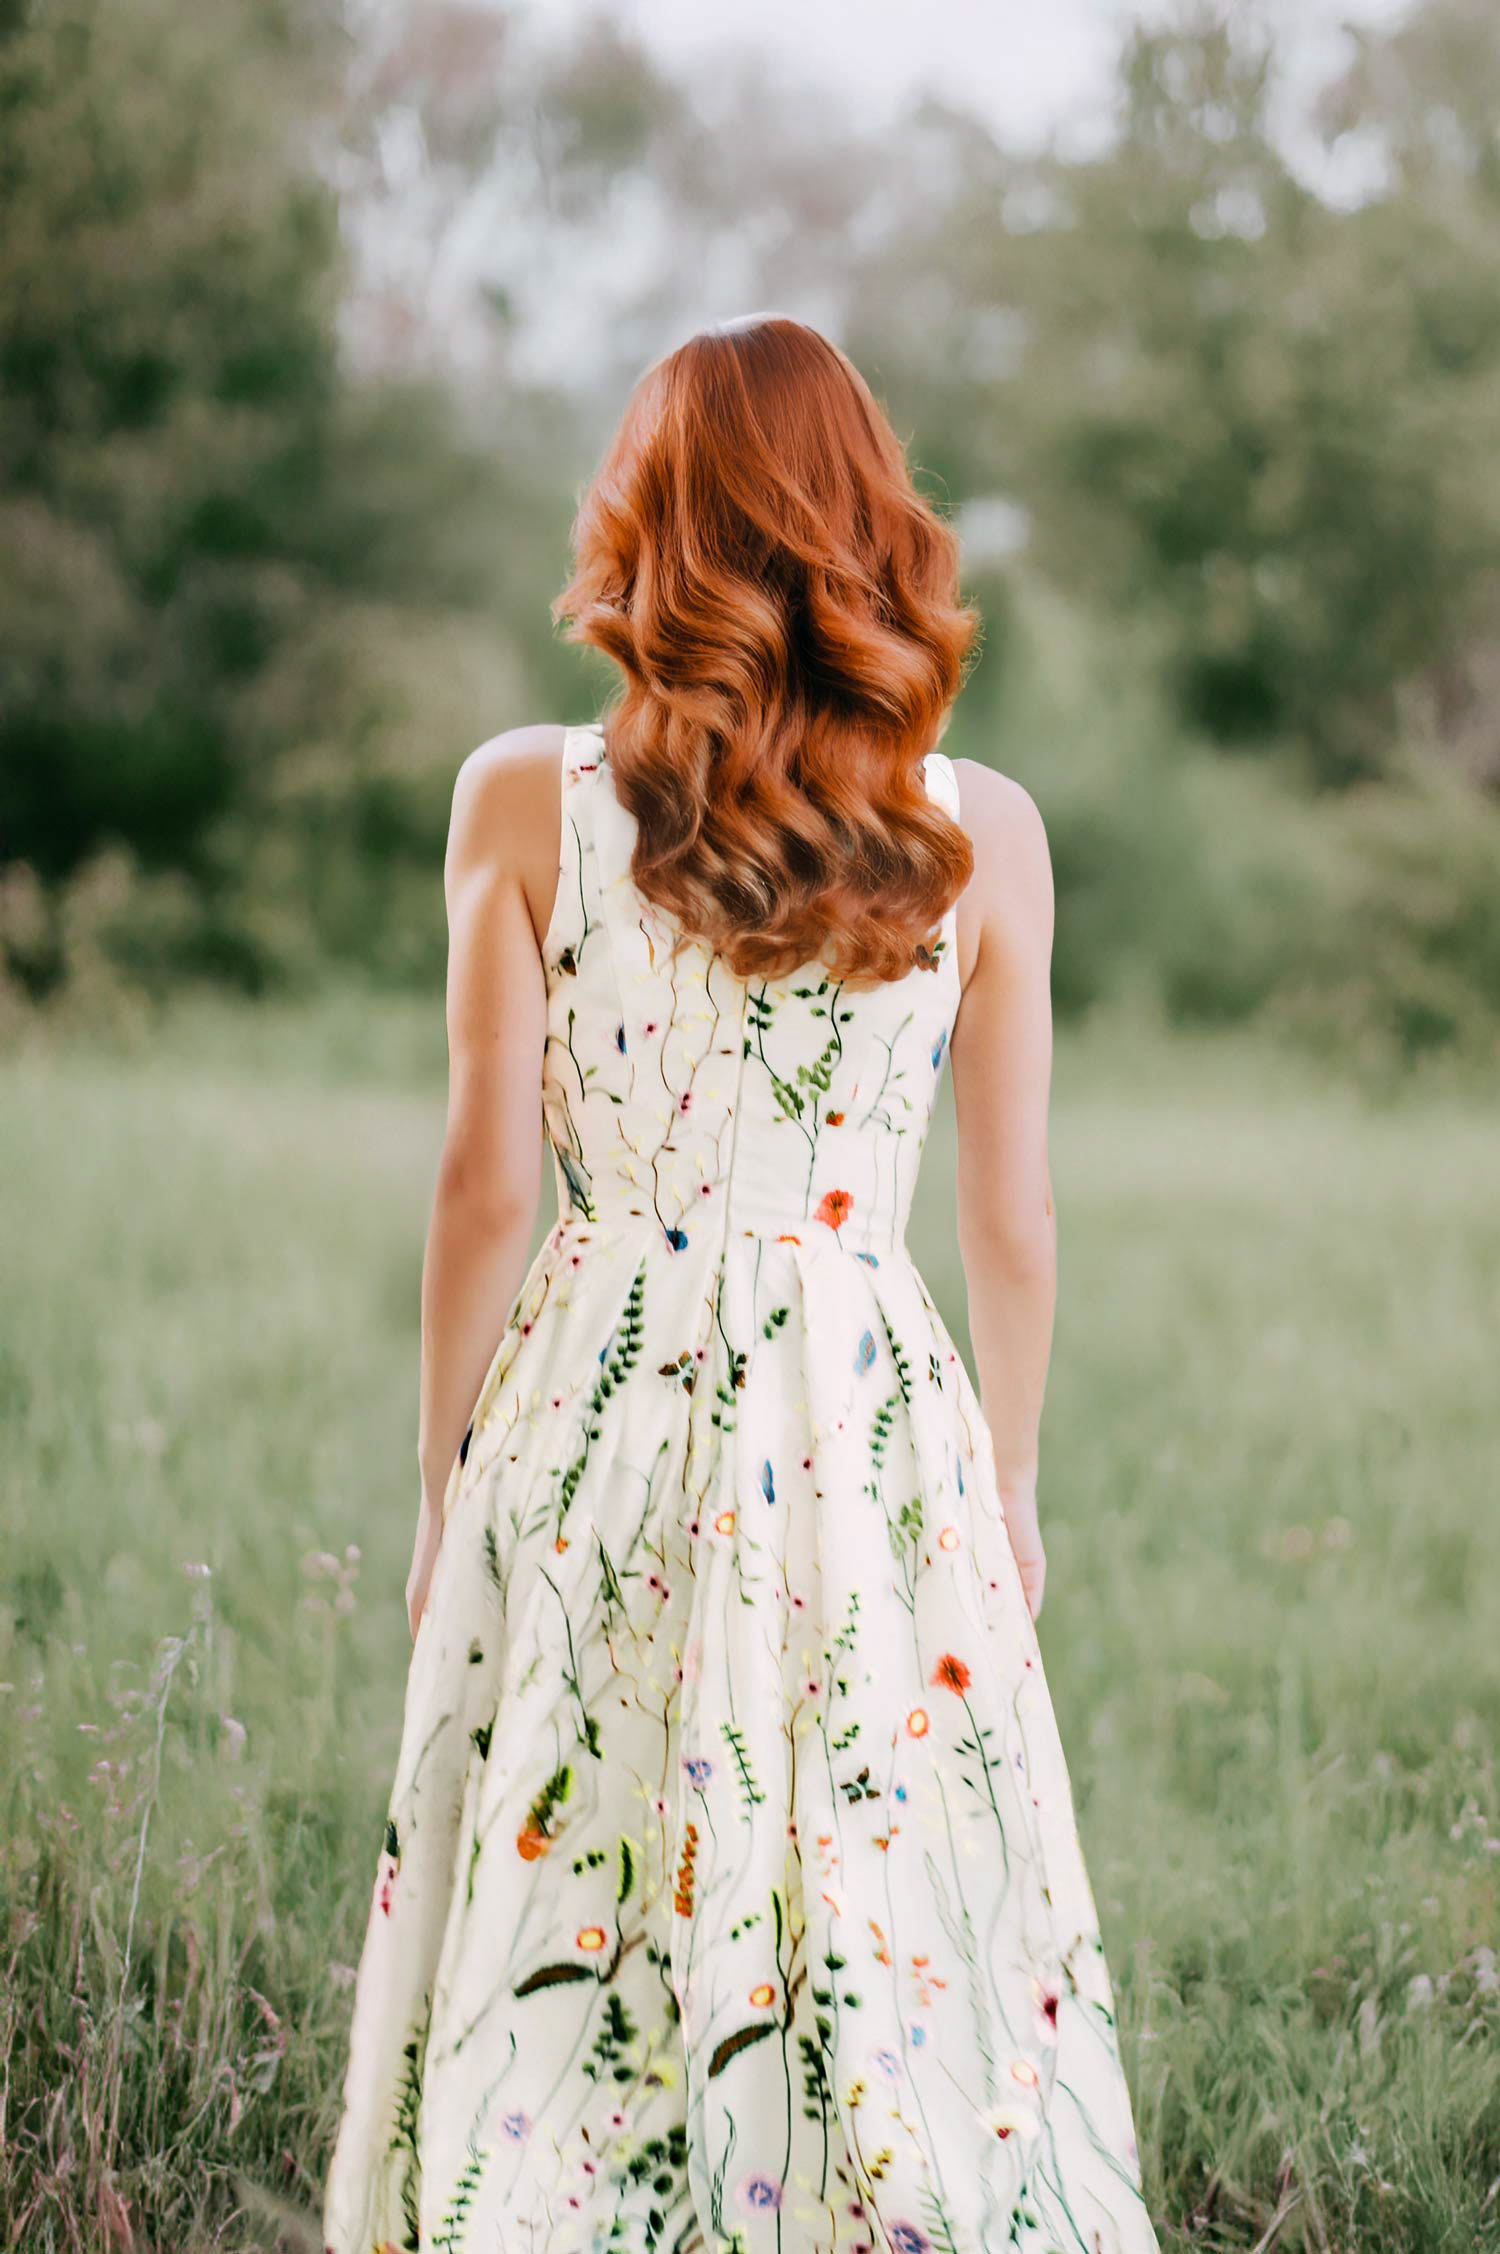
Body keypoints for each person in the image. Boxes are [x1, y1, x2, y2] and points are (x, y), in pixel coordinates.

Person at [322, 315, 1158, 2254]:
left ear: (653, 522)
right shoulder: (985, 830)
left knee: (581, 1843)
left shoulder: (526, 798)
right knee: (869, 1855)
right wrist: (1009, 1477)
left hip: (601, 1379)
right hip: (868, 1402)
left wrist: (451, 1465)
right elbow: (1013, 1219)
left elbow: (482, 1180)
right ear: (877, 528)